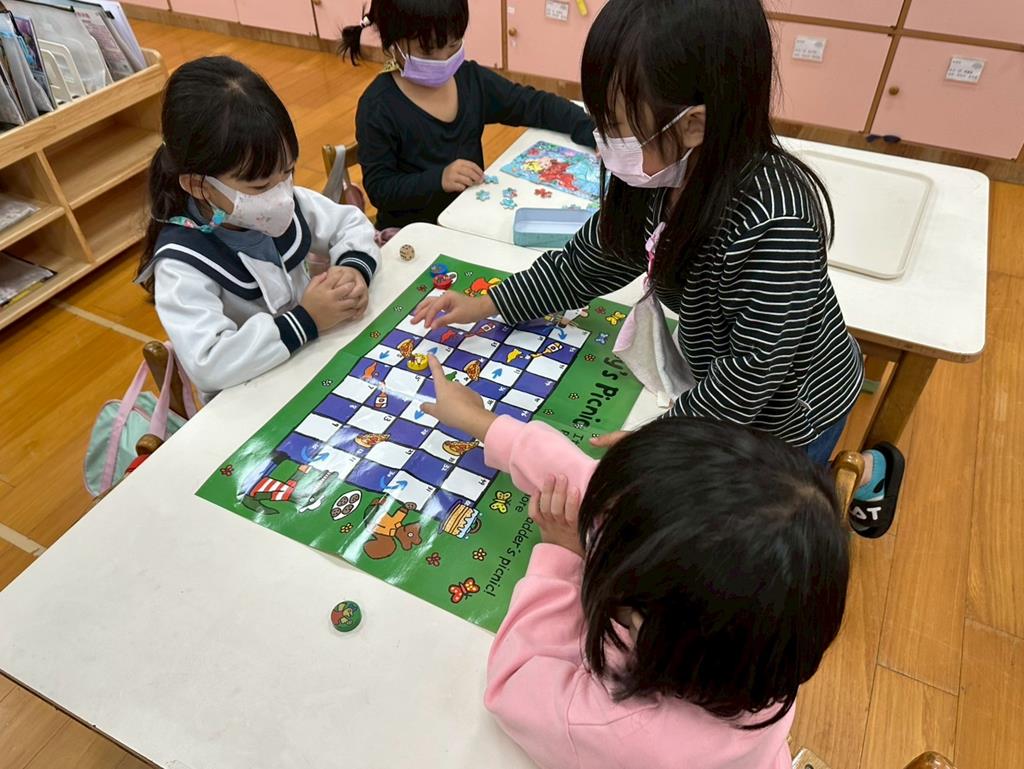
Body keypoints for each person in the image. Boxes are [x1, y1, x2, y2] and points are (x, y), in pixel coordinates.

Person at [412, 0, 903, 537]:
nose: (603, 143)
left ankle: (870, 470)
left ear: (693, 124)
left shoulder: (775, 221)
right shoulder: (657, 177)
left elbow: (752, 372)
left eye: (617, 127)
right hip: (722, 381)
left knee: (779, 512)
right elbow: (590, 261)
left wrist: (664, 442)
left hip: (792, 410)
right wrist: (489, 302)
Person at [421, 354, 849, 769]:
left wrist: (559, 556)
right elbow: (600, 492)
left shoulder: (625, 732)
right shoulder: (765, 631)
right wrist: (484, 424)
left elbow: (513, 682)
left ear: (647, 624)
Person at [136, 57, 380, 402]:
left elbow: (348, 223)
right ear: (197, 185)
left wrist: (352, 269)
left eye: (288, 172)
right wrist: (307, 319)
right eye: (260, 185)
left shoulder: (277, 201)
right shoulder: (181, 263)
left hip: (313, 366)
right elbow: (210, 362)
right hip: (252, 402)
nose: (280, 194)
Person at [340, 0, 596, 230]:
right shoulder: (378, 107)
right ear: (391, 43)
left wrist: (592, 129)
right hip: (412, 234)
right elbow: (381, 190)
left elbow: (533, 104)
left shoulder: (469, 79)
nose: (444, 59)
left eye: (453, 45)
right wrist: (438, 179)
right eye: (427, 51)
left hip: (469, 218)